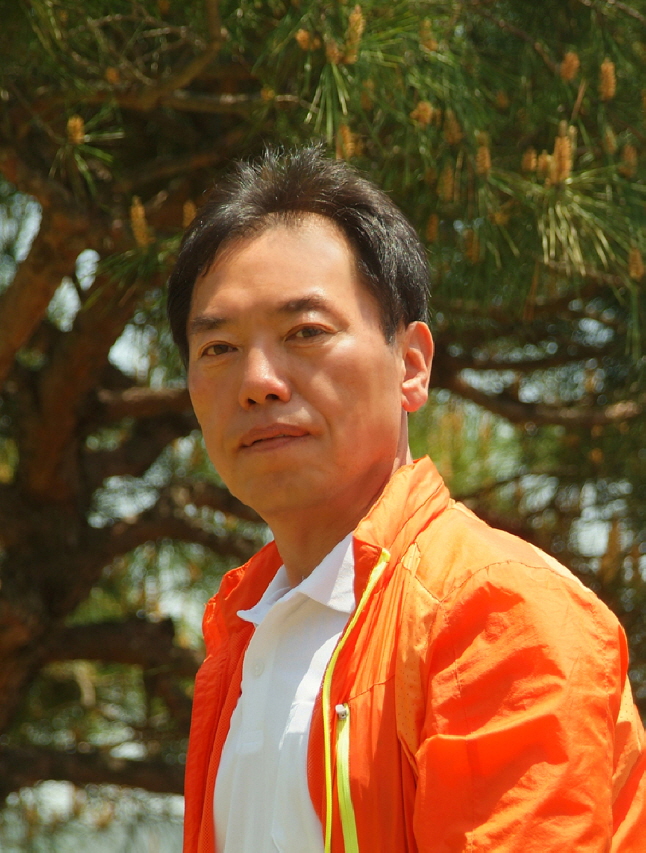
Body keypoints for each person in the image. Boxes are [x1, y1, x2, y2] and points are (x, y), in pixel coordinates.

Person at [167, 146, 645, 853]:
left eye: (305, 332)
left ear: (412, 365)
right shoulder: (243, 631)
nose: (259, 381)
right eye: (218, 348)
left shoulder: (494, 612)